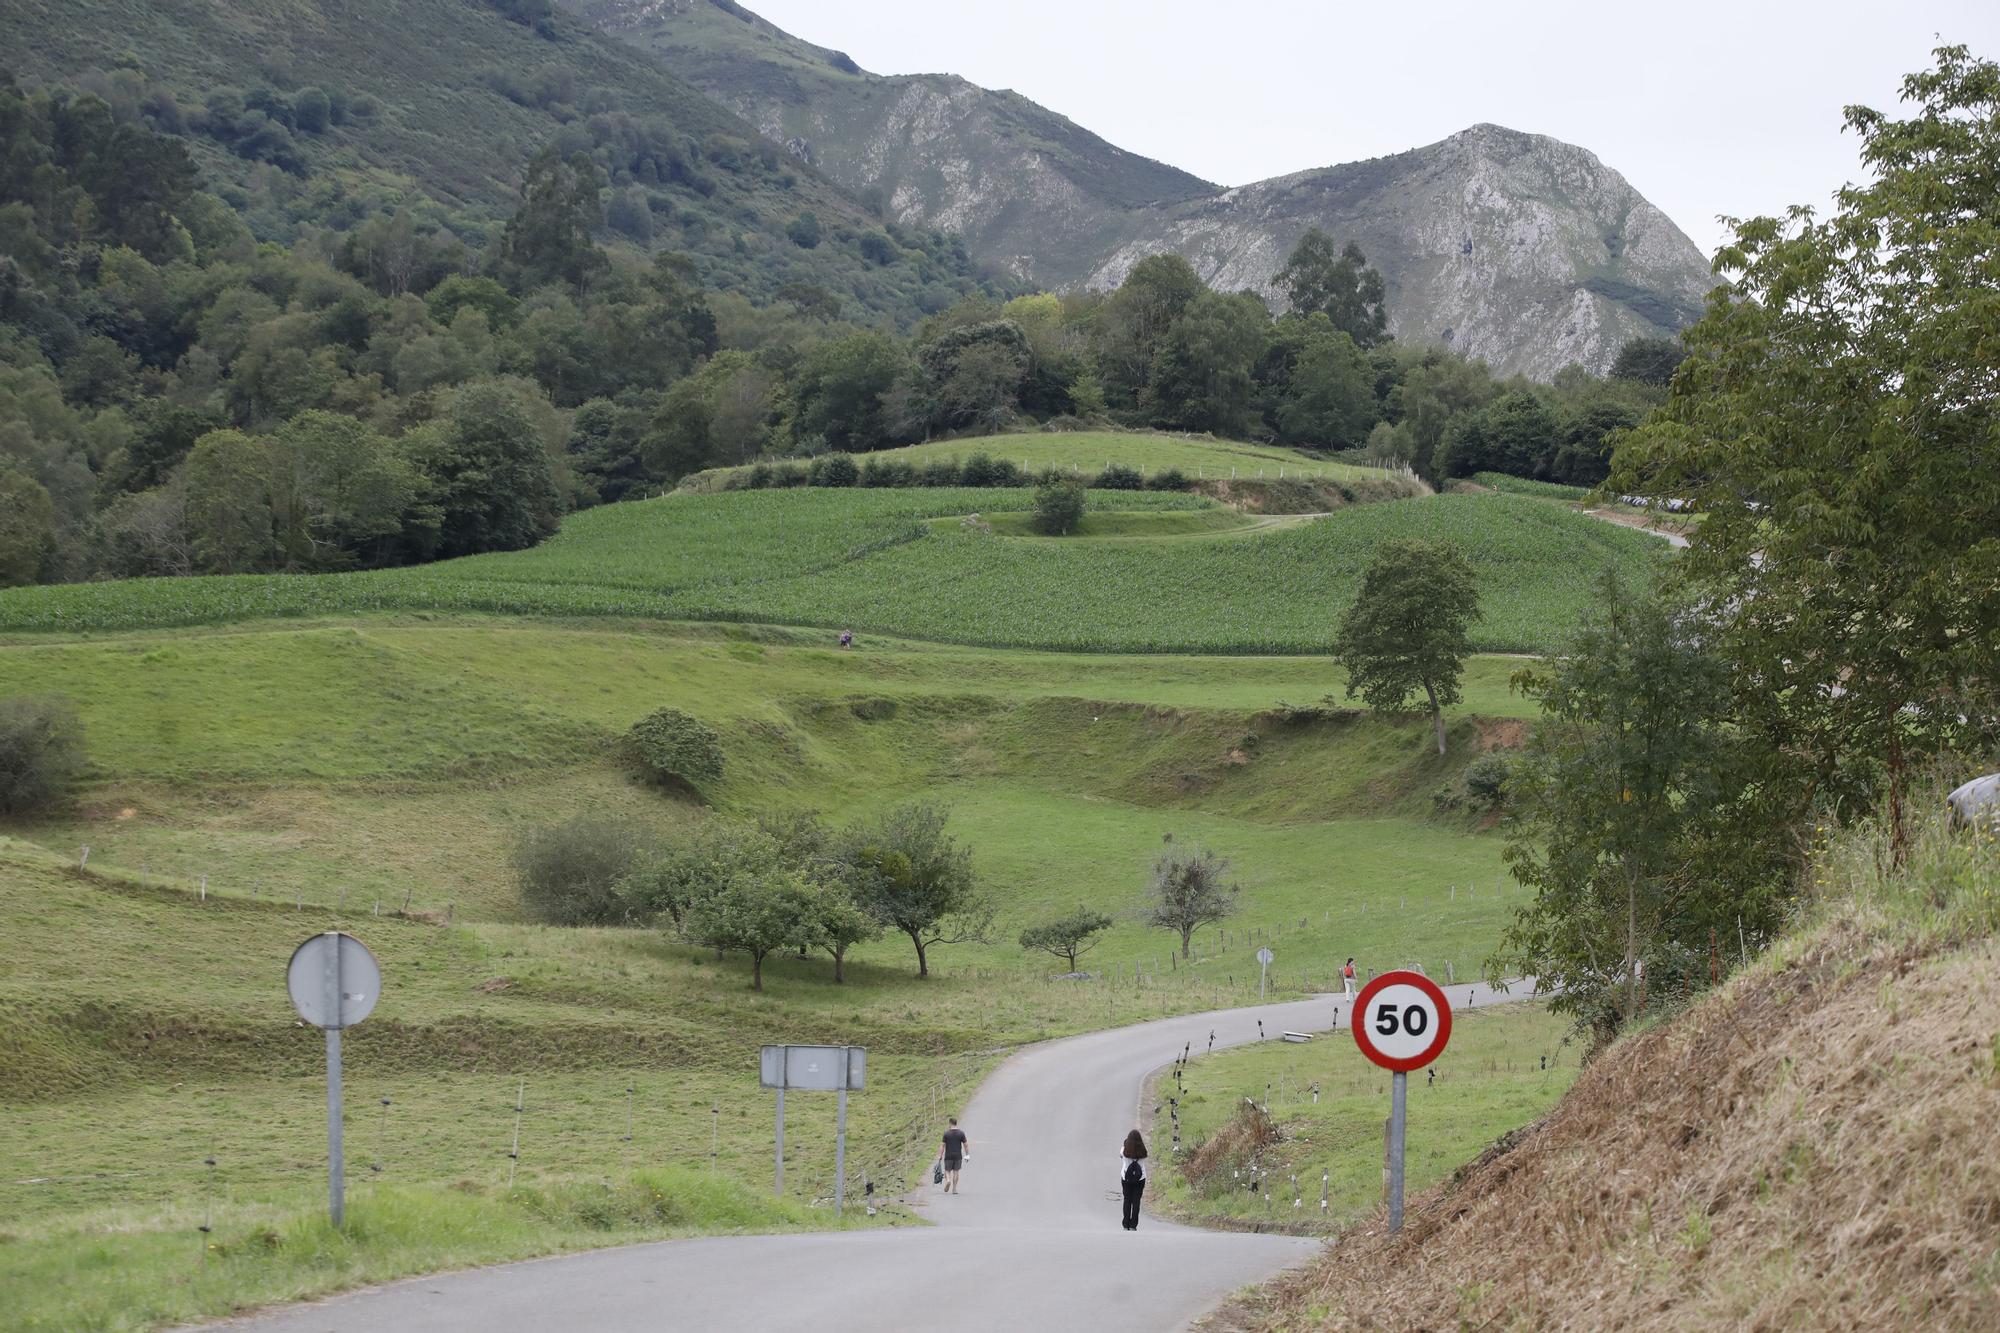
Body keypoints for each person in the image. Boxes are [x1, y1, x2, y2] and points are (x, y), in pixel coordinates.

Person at [1119, 1129, 1148, 1230]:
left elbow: (1121, 1158)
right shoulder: (1143, 1151)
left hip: (1126, 1178)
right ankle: (1133, 1225)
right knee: (1136, 1201)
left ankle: (1125, 1224)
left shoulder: (1124, 1150)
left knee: (1127, 1200)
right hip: (1140, 1178)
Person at [937, 1117, 968, 1193]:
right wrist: (967, 1154)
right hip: (958, 1156)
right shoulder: (961, 1133)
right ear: (956, 1123)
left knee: (947, 1171)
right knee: (956, 1171)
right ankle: (954, 1189)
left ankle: (948, 1180)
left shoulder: (946, 1133)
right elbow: (966, 1145)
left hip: (948, 1156)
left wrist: (940, 1155)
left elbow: (942, 1145)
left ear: (950, 1123)